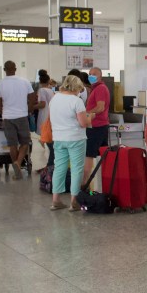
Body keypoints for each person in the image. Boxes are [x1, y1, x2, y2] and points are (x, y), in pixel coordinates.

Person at [49, 75, 90, 211]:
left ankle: (56, 200)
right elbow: (83, 123)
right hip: (75, 139)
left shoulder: (54, 98)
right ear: (76, 87)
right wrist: (91, 118)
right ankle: (74, 201)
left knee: (59, 168)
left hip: (58, 138)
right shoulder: (76, 101)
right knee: (76, 169)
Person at [0, 60, 35, 179]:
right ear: (15, 69)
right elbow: (32, 97)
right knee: (25, 143)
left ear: (4, 70)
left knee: (12, 145)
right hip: (22, 116)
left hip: (8, 118)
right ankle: (18, 162)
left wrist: (4, 113)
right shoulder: (24, 81)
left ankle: (15, 166)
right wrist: (29, 110)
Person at [83, 68, 111, 188]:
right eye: (90, 74)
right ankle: (103, 181)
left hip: (96, 127)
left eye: (94, 74)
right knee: (102, 154)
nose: (91, 76)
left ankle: (84, 183)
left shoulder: (100, 88)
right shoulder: (96, 88)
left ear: (100, 76)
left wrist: (86, 113)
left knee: (89, 154)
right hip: (99, 126)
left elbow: (100, 107)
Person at [35, 70, 55, 168]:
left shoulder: (42, 90)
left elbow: (42, 104)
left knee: (48, 140)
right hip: (51, 115)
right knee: (49, 139)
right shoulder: (51, 90)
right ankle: (50, 163)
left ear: (40, 81)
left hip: (44, 116)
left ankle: (50, 164)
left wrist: (31, 107)